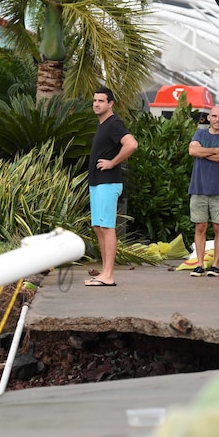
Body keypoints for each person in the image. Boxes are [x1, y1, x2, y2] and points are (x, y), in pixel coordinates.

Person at [85, 87, 138, 287]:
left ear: (111, 104)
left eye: (101, 101)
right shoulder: (103, 125)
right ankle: (104, 273)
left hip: (108, 183)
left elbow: (132, 144)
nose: (97, 104)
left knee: (107, 227)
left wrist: (112, 162)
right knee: (99, 227)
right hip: (97, 183)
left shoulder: (114, 123)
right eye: (95, 100)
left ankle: (108, 275)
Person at [188, 105, 219, 276]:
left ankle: (215, 265)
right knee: (200, 226)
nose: (217, 119)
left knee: (218, 227)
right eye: (214, 116)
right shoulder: (200, 133)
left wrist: (203, 153)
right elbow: (192, 150)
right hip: (198, 187)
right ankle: (200, 264)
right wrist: (216, 150)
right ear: (209, 118)